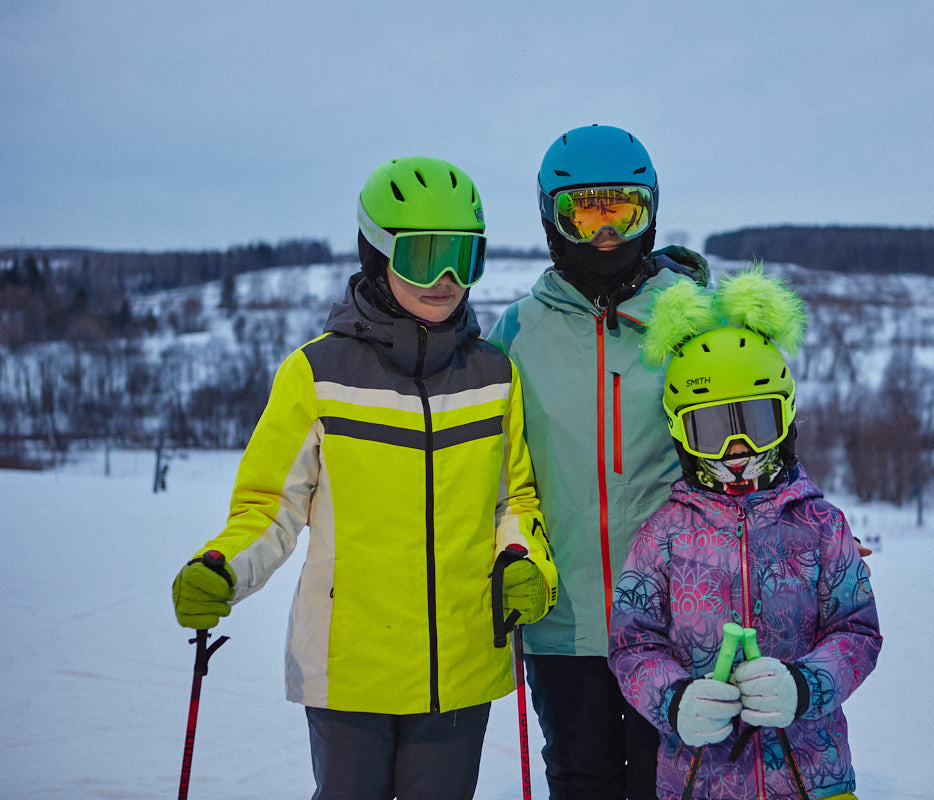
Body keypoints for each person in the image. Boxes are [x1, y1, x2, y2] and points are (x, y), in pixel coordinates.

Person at [170, 156, 557, 800]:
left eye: (464, 257)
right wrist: (222, 566)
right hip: (349, 665)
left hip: (460, 663)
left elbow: (514, 500)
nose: (445, 279)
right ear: (377, 256)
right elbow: (270, 507)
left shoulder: (494, 377)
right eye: (423, 256)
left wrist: (524, 560)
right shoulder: (317, 374)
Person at [489, 124, 709, 800]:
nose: (606, 236)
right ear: (553, 219)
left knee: (668, 783)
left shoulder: (692, 323)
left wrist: (797, 532)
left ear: (650, 212)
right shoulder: (517, 334)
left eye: (623, 212)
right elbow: (497, 479)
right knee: (582, 782)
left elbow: (751, 444)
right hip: (563, 622)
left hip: (674, 618)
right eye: (585, 214)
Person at [607, 267, 883, 800]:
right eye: (711, 430)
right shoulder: (663, 535)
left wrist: (806, 685)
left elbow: (858, 633)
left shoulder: (820, 525)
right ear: (680, 432)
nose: (736, 450)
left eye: (755, 423)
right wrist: (674, 700)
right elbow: (631, 645)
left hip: (812, 778)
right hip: (700, 781)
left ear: (786, 417)